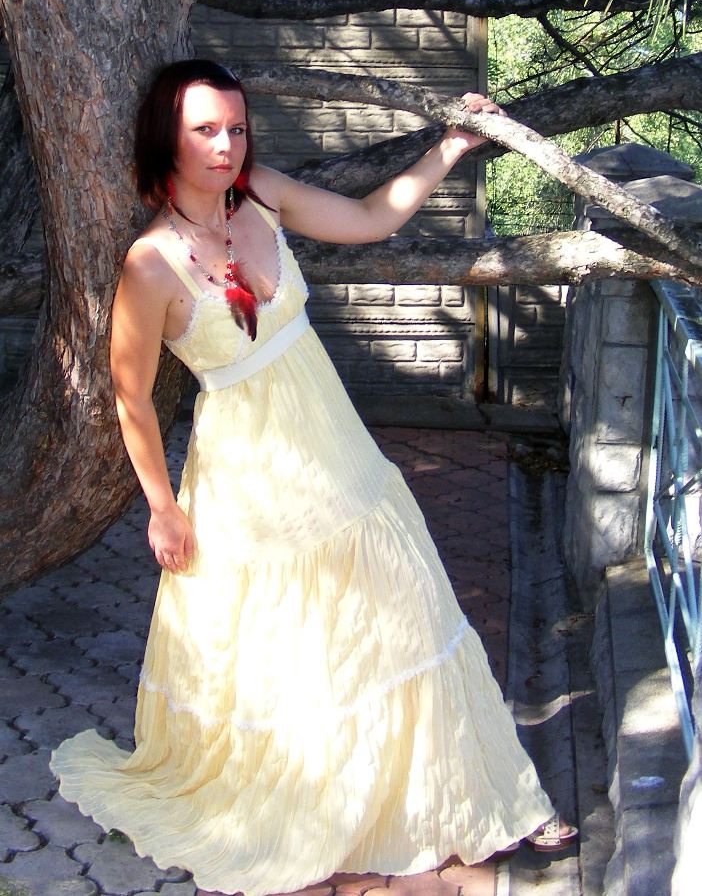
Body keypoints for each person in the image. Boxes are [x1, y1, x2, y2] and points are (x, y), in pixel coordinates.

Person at [51, 59, 577, 896]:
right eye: (205, 130)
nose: (227, 146)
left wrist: (449, 148)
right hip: (249, 474)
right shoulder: (150, 265)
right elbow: (131, 397)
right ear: (166, 139)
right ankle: (318, 810)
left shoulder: (260, 195)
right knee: (289, 646)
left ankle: (490, 801)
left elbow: (370, 217)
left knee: (410, 611)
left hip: (336, 447)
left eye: (236, 127)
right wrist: (161, 507)